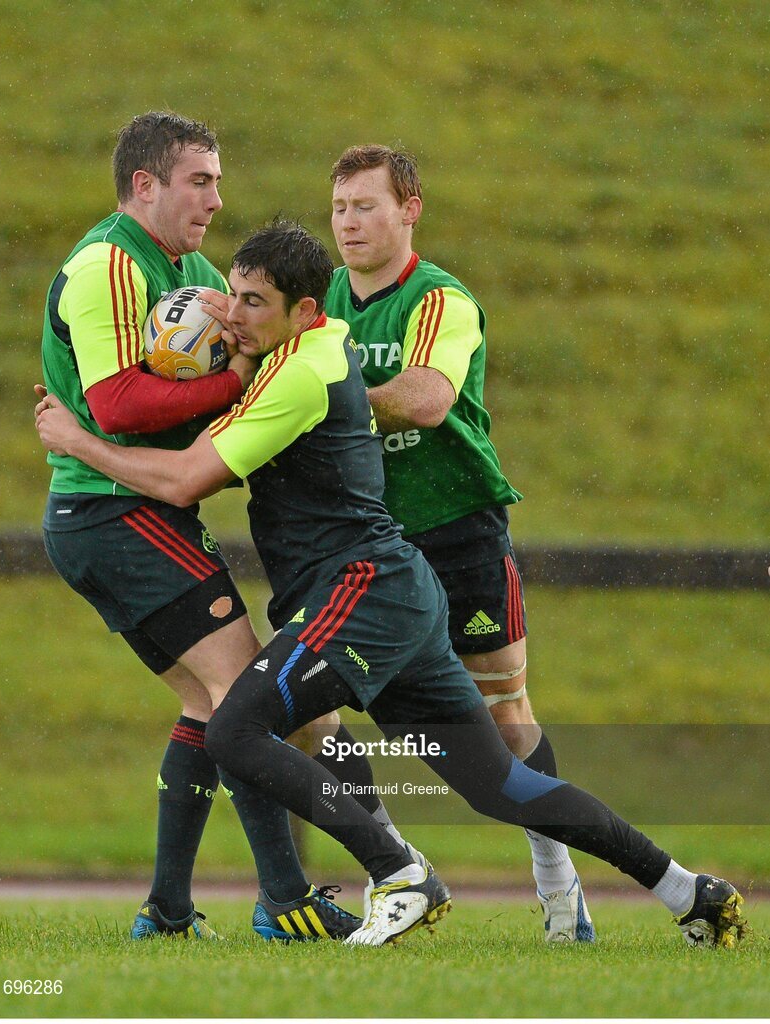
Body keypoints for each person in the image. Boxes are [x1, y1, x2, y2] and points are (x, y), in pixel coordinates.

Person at [36, 220, 746, 950]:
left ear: (303, 312)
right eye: (231, 296)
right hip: (392, 595)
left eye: (251, 302)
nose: (231, 315)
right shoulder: (308, 347)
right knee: (502, 787)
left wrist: (78, 442)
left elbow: (186, 478)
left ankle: (399, 874)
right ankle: (687, 890)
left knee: (235, 729)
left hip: (362, 591)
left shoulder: (300, 373)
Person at [38, 111, 370, 943]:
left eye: (217, 179)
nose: (217, 198)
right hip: (111, 509)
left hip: (130, 510)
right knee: (241, 700)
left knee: (203, 702)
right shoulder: (106, 264)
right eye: (200, 180)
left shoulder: (177, 264)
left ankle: (168, 910)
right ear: (144, 185)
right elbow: (114, 405)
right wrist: (241, 383)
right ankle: (285, 900)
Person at [325, 143, 590, 941]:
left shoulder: (440, 299)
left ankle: (557, 890)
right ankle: (397, 869)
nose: (348, 223)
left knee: (503, 714)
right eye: (338, 208)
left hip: (456, 528)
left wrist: (323, 406)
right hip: (364, 542)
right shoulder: (319, 302)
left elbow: (427, 398)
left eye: (365, 206)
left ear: (409, 209)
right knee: (306, 705)